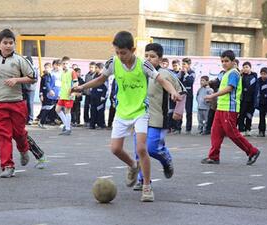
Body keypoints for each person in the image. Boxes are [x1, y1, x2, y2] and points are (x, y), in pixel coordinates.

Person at [73, 31, 181, 202]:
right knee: (115, 149)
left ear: (133, 49)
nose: (120, 56)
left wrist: (173, 92)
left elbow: (162, 80)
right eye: (117, 52)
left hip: (140, 112)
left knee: (141, 149)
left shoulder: (143, 65)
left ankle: (146, 187)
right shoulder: (113, 63)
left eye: (123, 52)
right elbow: (101, 79)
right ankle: (132, 165)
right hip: (122, 112)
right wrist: (82, 87)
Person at [0, 28, 37, 178]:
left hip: (17, 103)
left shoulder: (20, 60)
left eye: (11, 43)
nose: (8, 45)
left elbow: (33, 77)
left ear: (14, 44)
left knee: (19, 134)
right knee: (3, 135)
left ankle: (24, 150)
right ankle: (8, 166)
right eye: (5, 43)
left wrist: (17, 79)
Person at [133, 43, 184, 191]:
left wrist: (178, 110)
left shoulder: (166, 74)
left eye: (153, 56)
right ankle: (142, 179)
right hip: (140, 117)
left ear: (160, 59)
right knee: (139, 149)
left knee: (152, 149)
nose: (149, 59)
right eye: (146, 56)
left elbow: (182, 91)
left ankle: (166, 158)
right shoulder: (139, 73)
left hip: (158, 118)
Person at [202, 50, 260, 166]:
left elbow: (229, 88)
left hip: (229, 109)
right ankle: (213, 156)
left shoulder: (233, 73)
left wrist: (213, 95)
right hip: (221, 108)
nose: (224, 63)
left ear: (233, 62)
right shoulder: (225, 73)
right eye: (222, 61)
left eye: (226, 61)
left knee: (232, 133)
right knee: (215, 132)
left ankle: (252, 151)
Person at [55, 56, 78, 135]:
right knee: (57, 109)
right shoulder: (62, 73)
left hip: (69, 95)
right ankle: (67, 125)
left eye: (66, 63)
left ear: (69, 64)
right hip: (62, 95)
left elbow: (76, 83)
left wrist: (73, 92)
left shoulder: (72, 72)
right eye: (63, 63)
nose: (65, 65)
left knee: (67, 111)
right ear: (61, 64)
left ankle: (68, 129)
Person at [238, 62, 257, 136]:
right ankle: (241, 129)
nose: (245, 69)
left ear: (250, 68)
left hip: (251, 100)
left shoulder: (254, 76)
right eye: (244, 67)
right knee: (242, 115)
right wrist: (240, 74)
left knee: (249, 115)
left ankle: (248, 129)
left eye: (246, 67)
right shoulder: (241, 76)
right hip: (243, 99)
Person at [255, 67, 267, 137]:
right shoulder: (258, 81)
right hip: (261, 102)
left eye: (265, 74)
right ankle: (261, 131)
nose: (263, 75)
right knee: (261, 117)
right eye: (262, 74)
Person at [179, 58, 195, 134]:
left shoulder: (192, 72)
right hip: (181, 94)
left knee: (189, 112)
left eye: (184, 64)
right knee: (179, 111)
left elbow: (190, 82)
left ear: (188, 65)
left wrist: (186, 74)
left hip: (189, 95)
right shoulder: (181, 73)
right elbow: (178, 81)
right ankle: (178, 128)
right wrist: (181, 73)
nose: (183, 66)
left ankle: (188, 129)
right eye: (182, 64)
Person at [89, 63, 107, 129]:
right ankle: (92, 124)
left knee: (100, 111)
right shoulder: (95, 75)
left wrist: (103, 96)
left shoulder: (104, 76)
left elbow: (106, 87)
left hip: (100, 97)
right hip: (94, 95)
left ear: (101, 69)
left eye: (96, 68)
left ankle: (101, 124)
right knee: (93, 110)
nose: (95, 69)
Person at [83, 62, 96, 127]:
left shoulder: (96, 76)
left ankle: (92, 121)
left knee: (92, 108)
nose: (91, 69)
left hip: (93, 95)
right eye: (90, 67)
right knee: (86, 108)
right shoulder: (87, 75)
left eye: (92, 67)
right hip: (87, 94)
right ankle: (86, 121)